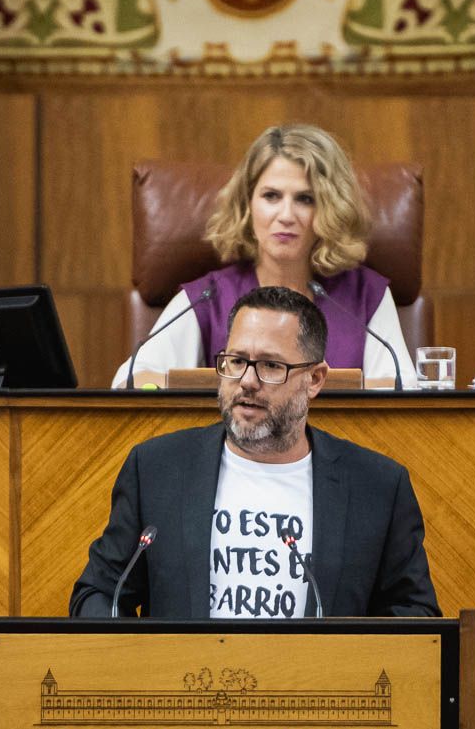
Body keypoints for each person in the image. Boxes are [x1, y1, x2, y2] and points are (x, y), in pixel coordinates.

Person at [76, 285, 439, 619]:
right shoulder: (157, 470)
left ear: (314, 380)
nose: (247, 381)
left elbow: (415, 613)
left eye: (270, 366)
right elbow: (99, 593)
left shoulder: (375, 486)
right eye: (236, 361)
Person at [113, 124, 419, 389]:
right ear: (248, 204)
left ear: (330, 209)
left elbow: (403, 390)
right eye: (271, 196)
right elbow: (130, 381)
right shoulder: (208, 297)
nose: (286, 215)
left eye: (305, 199)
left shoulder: (365, 296)